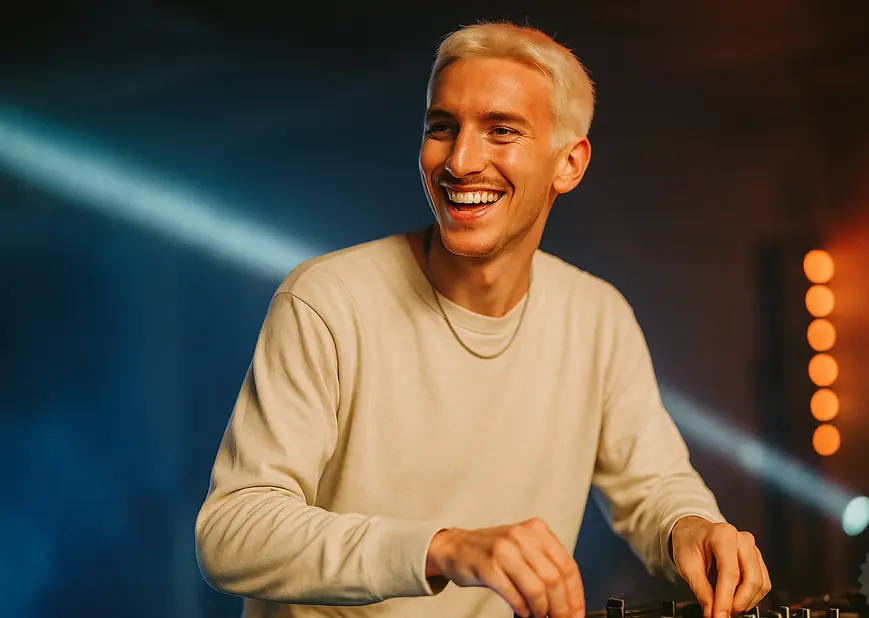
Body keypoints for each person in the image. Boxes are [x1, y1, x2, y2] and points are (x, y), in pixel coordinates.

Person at [195, 21, 771, 618]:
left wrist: (692, 527)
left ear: (568, 164)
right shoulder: (325, 300)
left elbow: (654, 486)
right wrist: (443, 549)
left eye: (501, 131)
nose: (462, 161)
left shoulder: (598, 316)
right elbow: (231, 532)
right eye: (442, 128)